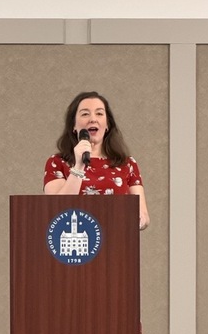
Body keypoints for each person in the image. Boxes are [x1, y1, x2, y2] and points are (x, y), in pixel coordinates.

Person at [43, 91, 150, 230]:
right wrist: (79, 166)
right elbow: (56, 210)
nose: (93, 119)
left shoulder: (127, 164)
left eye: (99, 113)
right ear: (74, 126)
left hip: (118, 243)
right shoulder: (57, 162)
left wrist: (139, 220)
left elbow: (144, 215)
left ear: (107, 125)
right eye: (85, 114)